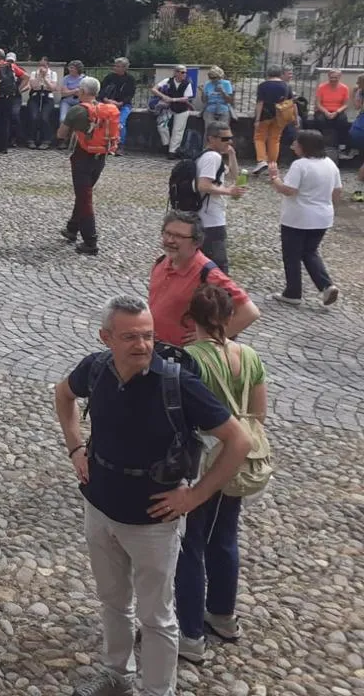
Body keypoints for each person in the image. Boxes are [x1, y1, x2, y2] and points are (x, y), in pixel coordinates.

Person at [53, 294, 249, 696]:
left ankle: (159, 691)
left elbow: (239, 440)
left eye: (148, 335)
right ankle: (117, 675)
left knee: (156, 616)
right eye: (130, 337)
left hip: (154, 521)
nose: (142, 345)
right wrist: (75, 448)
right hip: (100, 507)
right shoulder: (95, 369)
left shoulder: (177, 384)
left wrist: (195, 496)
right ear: (106, 338)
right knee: (113, 601)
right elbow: (63, 394)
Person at [175, 284, 268, 663]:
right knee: (226, 535)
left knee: (190, 543)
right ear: (230, 317)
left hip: (202, 460)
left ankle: (190, 633)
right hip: (240, 458)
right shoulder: (250, 356)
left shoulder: (189, 360)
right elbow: (259, 413)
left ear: (190, 319)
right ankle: (223, 615)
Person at [147, 210, 259, 348]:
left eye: (179, 236)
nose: (170, 240)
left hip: (183, 354)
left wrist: (213, 337)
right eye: (167, 233)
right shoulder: (161, 263)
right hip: (154, 347)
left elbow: (249, 312)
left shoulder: (207, 273)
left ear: (196, 242)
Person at [267, 128, 342, 307]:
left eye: (296, 143)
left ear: (304, 146)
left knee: (292, 255)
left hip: (298, 217)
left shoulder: (300, 165)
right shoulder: (330, 164)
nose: (293, 145)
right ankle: (326, 286)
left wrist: (274, 178)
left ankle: (293, 292)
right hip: (322, 216)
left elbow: (289, 190)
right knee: (310, 252)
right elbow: (337, 191)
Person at [60, 78, 118, 256]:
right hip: (100, 157)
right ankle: (72, 228)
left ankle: (90, 241)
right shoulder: (105, 110)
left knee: (85, 198)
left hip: (82, 157)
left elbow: (61, 134)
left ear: (83, 91)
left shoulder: (77, 110)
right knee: (84, 194)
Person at [194, 122, 245, 272]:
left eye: (230, 138)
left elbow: (234, 175)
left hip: (208, 217)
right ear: (211, 139)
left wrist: (232, 154)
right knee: (219, 266)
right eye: (225, 139)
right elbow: (203, 185)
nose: (229, 141)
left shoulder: (210, 156)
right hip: (210, 219)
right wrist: (229, 191)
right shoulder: (212, 157)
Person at [250, 65, 294, 174]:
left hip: (265, 114)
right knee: (275, 139)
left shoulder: (263, 86)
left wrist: (257, 119)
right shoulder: (286, 86)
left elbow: (260, 102)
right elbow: (291, 103)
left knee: (259, 137)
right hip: (280, 115)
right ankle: (272, 164)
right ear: (280, 74)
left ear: (268, 73)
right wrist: (295, 118)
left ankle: (261, 160)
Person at [0, 48, 27, 154]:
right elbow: (26, 77)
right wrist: (17, 90)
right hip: (8, 98)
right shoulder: (11, 66)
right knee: (5, 122)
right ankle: (3, 147)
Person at [151, 66, 195, 157]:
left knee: (177, 130)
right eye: (182, 72)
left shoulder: (187, 84)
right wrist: (163, 96)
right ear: (176, 73)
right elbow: (154, 89)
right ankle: (166, 144)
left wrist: (173, 99)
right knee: (161, 126)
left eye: (185, 72)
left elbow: (186, 98)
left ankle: (173, 151)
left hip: (182, 109)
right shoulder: (168, 81)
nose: (184, 74)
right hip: (168, 108)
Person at [99, 58, 137, 153]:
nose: (116, 68)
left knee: (120, 123)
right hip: (108, 103)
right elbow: (102, 90)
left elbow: (130, 94)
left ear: (125, 68)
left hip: (124, 105)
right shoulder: (109, 77)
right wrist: (106, 100)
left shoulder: (130, 79)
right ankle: (104, 143)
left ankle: (120, 145)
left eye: (118, 66)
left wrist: (121, 103)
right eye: (115, 66)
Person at [312, 68, 351, 154]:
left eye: (335, 77)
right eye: (331, 77)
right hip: (323, 110)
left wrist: (337, 112)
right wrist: (326, 112)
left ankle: (341, 144)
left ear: (339, 77)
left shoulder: (344, 88)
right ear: (328, 77)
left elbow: (345, 104)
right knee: (320, 120)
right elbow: (318, 103)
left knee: (342, 121)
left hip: (337, 111)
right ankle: (319, 144)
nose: (333, 79)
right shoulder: (321, 87)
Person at [26, 58, 58, 149]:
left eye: (44, 65)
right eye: (40, 65)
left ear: (48, 66)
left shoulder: (53, 74)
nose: (42, 67)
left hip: (48, 97)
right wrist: (40, 76)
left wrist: (45, 78)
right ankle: (31, 139)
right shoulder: (34, 73)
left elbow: (53, 88)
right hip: (36, 95)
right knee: (33, 116)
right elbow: (33, 86)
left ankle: (46, 140)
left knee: (44, 117)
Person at [54, 60, 85, 150]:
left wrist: (70, 91)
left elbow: (83, 93)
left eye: (72, 68)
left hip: (80, 102)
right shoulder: (66, 79)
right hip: (66, 101)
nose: (70, 69)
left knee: (79, 119)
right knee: (63, 119)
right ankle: (62, 139)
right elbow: (63, 93)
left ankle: (77, 140)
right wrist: (75, 91)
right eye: (69, 67)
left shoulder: (84, 79)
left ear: (78, 69)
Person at [200, 66, 234, 135]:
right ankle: (208, 142)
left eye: (214, 78)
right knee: (209, 131)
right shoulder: (207, 84)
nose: (213, 80)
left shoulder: (226, 83)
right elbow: (204, 101)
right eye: (211, 78)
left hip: (223, 108)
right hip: (210, 108)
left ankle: (224, 142)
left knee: (224, 131)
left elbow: (230, 100)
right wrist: (202, 92)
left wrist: (223, 91)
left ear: (220, 77)